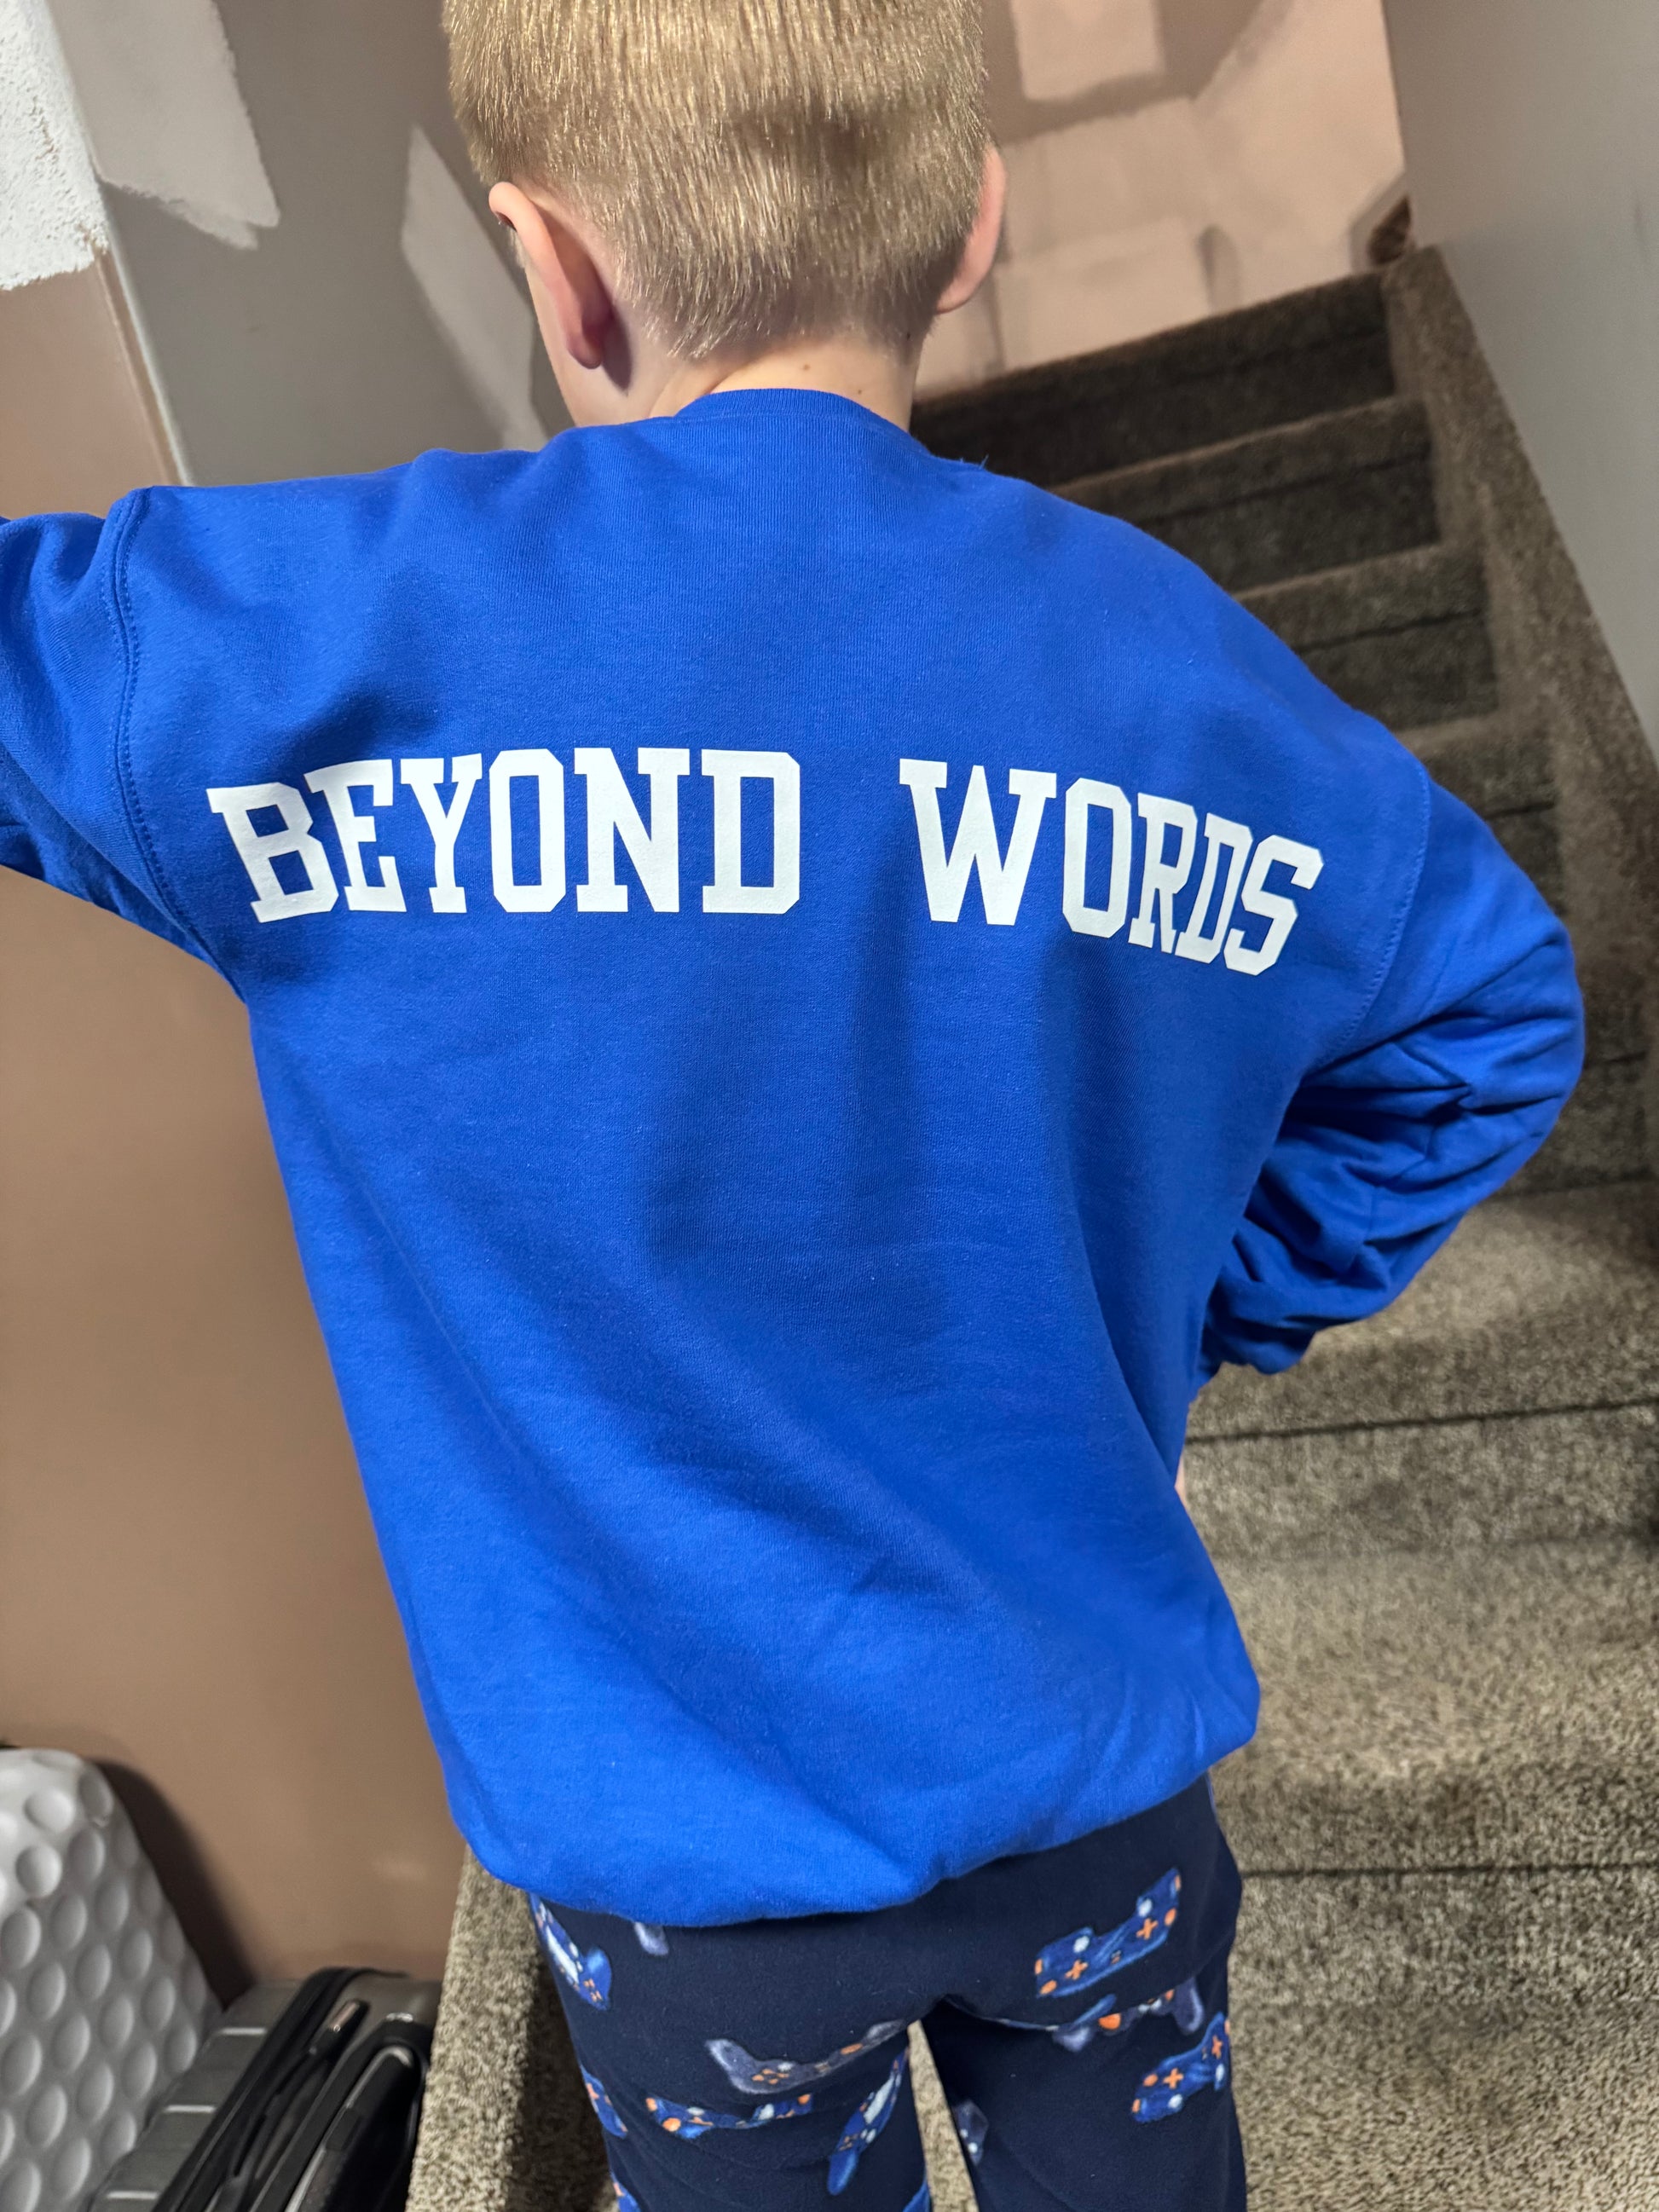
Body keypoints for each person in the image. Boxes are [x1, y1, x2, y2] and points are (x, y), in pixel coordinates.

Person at [0, 0, 1581, 2203]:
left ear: (552, 272)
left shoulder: (296, 649)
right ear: (971, 229)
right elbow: (1494, 1008)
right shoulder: (1166, 672)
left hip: (688, 1893)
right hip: (1086, 1793)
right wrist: (1222, 1286)